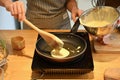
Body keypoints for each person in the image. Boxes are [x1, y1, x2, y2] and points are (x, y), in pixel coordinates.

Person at [0, 0, 83, 29]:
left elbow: (69, 0)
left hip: (61, 27)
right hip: (32, 27)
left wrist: (74, 8)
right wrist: (9, 3)